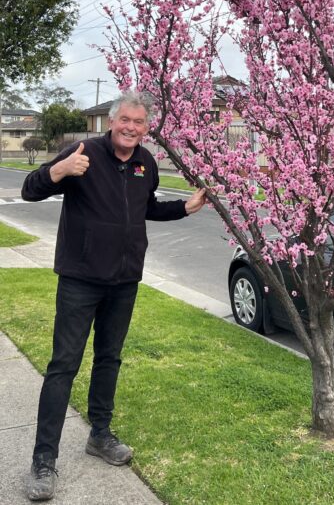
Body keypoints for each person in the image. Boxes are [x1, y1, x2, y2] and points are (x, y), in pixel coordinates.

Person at [21, 90, 206, 501]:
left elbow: (145, 208)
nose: (131, 127)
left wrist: (185, 209)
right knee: (63, 365)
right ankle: (43, 460)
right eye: (125, 119)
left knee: (109, 358)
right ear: (111, 121)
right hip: (80, 279)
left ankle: (99, 435)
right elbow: (30, 191)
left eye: (139, 122)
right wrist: (59, 170)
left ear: (146, 128)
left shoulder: (146, 162)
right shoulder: (83, 152)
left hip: (124, 281)